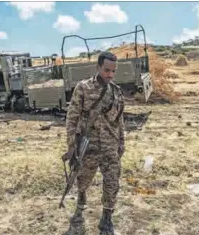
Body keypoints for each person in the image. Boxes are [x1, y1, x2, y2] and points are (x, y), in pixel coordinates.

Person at [63, 51, 125, 235]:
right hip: (88, 146)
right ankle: (82, 194)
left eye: (113, 71)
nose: (110, 74)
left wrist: (122, 142)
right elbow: (72, 117)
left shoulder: (116, 92)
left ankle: (107, 217)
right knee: (83, 179)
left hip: (110, 146)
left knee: (112, 181)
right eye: (107, 70)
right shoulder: (83, 88)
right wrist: (71, 144)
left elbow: (120, 120)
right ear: (98, 67)